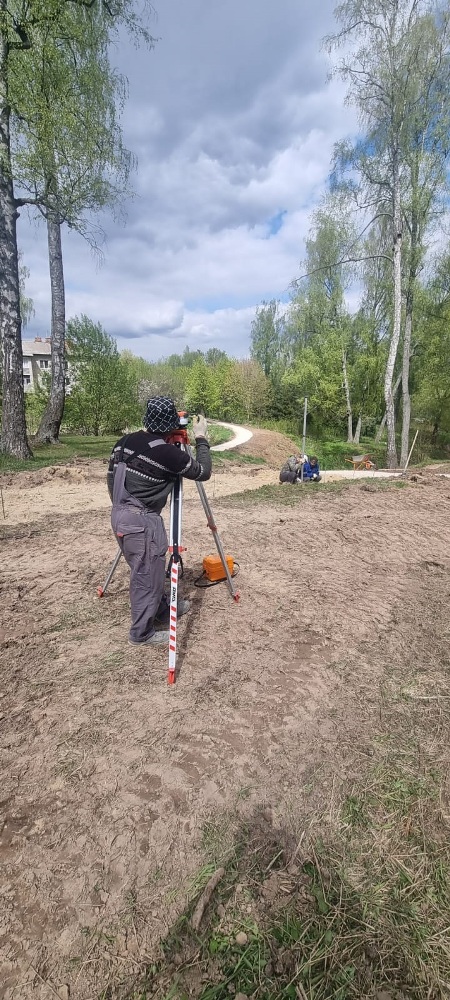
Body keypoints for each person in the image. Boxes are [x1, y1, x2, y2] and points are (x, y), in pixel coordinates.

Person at [107, 397, 211, 647]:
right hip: (142, 520)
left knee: (149, 572)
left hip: (120, 513)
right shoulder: (166, 453)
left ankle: (163, 610)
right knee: (146, 576)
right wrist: (201, 439)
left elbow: (111, 479)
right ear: (171, 424)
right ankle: (141, 634)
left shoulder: (125, 442)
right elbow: (203, 472)